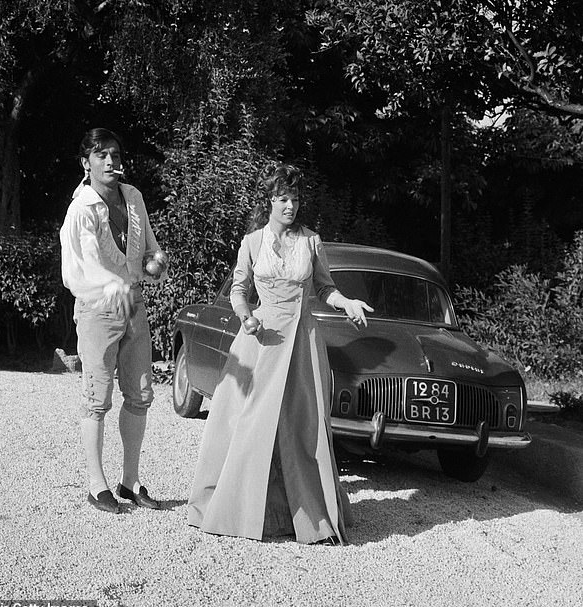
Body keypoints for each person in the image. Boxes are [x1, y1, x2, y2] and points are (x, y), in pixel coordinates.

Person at [187, 163, 373, 544]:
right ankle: (239, 507)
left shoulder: (311, 241)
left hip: (302, 340)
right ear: (270, 201)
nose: (291, 206)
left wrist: (347, 302)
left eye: (296, 199)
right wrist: (246, 316)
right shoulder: (252, 242)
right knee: (248, 423)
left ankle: (305, 514)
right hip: (261, 339)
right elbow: (239, 290)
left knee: (301, 424)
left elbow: (324, 288)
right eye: (283, 199)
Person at [60, 128, 168, 514]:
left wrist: (156, 263)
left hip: (134, 306)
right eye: (101, 155)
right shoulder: (82, 209)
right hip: (97, 309)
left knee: (140, 396)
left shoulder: (133, 197)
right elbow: (82, 266)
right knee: (97, 399)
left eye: (115, 155)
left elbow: (150, 249)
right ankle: (96, 484)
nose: (110, 162)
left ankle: (130, 480)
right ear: (85, 163)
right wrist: (112, 285)